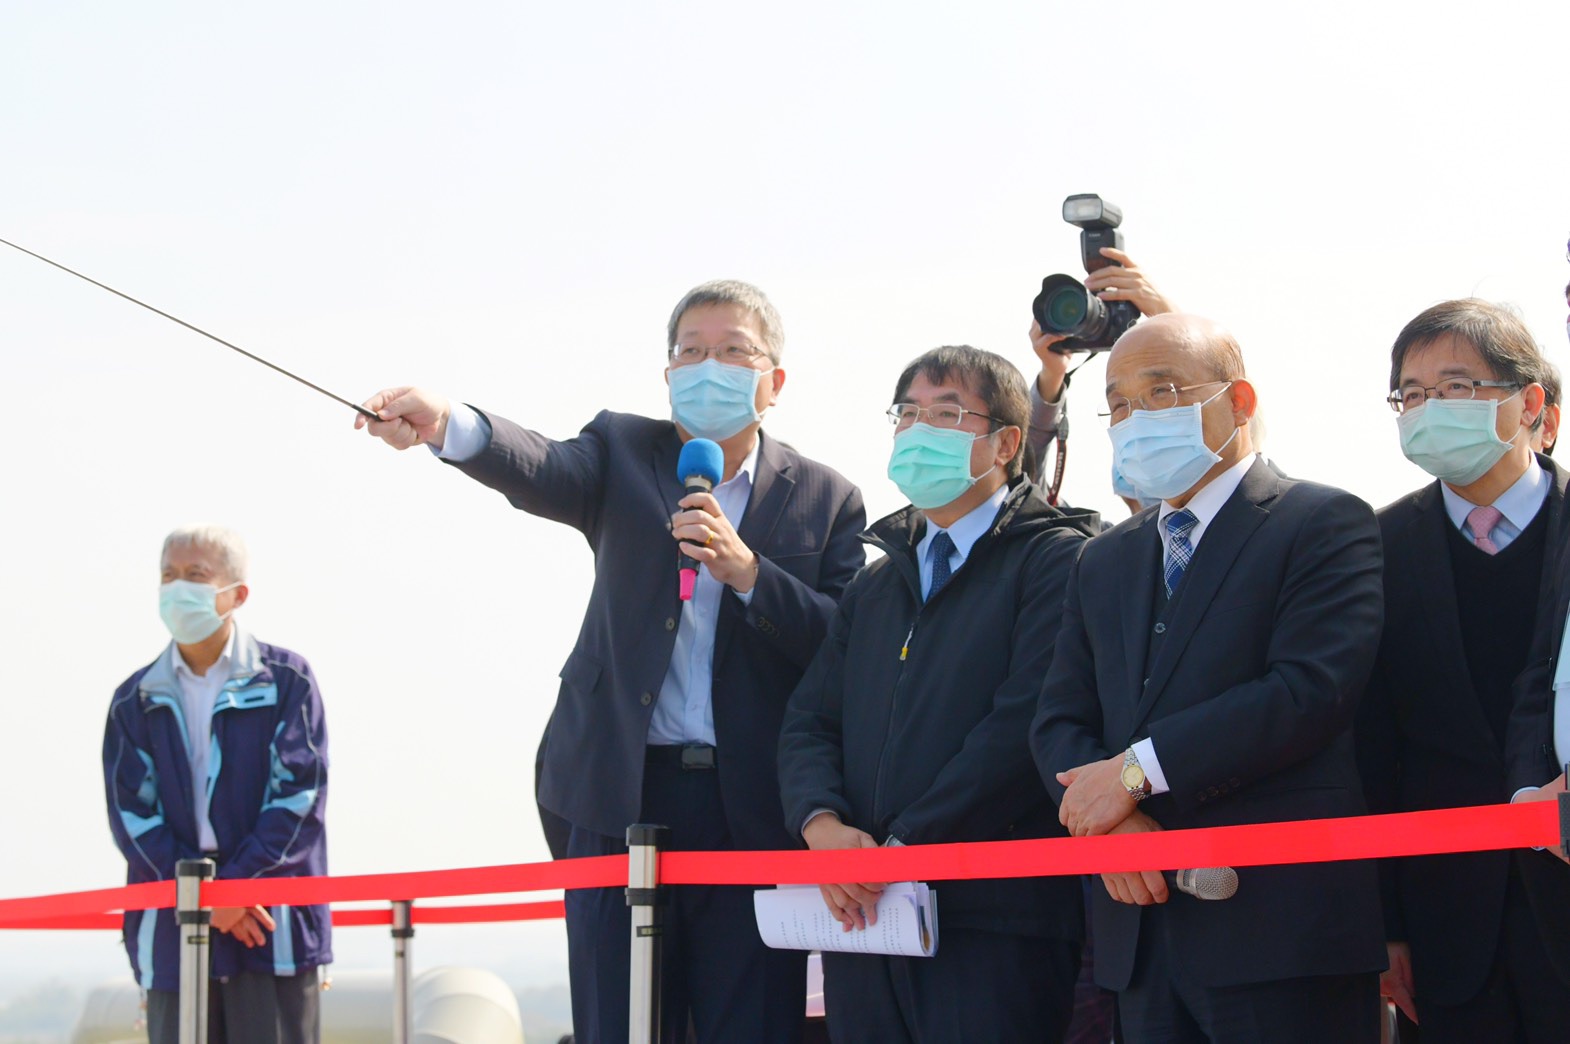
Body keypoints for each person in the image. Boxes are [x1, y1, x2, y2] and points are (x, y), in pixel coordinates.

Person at [356, 280, 866, 1044]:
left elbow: (843, 647)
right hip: (619, 791)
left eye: (733, 351)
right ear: (667, 374)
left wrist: (749, 574)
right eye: (690, 352)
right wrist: (448, 424)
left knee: (752, 1022)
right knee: (618, 1021)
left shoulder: (826, 498)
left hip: (751, 808)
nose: (708, 367)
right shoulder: (624, 451)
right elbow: (540, 465)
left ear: (775, 380)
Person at [1031, 314, 1386, 1042]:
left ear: (1240, 401)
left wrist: (1134, 774)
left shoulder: (1322, 521)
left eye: (1162, 392)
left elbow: (1308, 691)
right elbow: (1059, 719)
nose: (1137, 418)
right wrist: (1107, 821)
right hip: (1141, 927)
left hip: (1279, 935)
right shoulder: (1103, 559)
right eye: (1119, 404)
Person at [778, 346, 1097, 1042]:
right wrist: (821, 825)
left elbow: (1023, 724)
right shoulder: (876, 582)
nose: (919, 431)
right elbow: (809, 719)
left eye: (947, 414)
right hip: (865, 914)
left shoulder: (1058, 559)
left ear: (1005, 443)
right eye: (908, 414)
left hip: (993, 919)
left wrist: (905, 844)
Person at [1355, 299, 1570, 1041]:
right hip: (1445, 922)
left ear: (1529, 403)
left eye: (1454, 387)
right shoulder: (1377, 546)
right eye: (1411, 394)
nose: (1428, 408)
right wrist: (1386, 925)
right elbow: (1372, 745)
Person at [103, 525, 331, 1044]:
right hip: (171, 932)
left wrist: (233, 889)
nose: (177, 588)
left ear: (237, 594)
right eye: (168, 575)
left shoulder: (286, 682)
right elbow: (132, 818)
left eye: (195, 575)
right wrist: (204, 898)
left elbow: (300, 799)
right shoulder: (135, 700)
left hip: (270, 926)